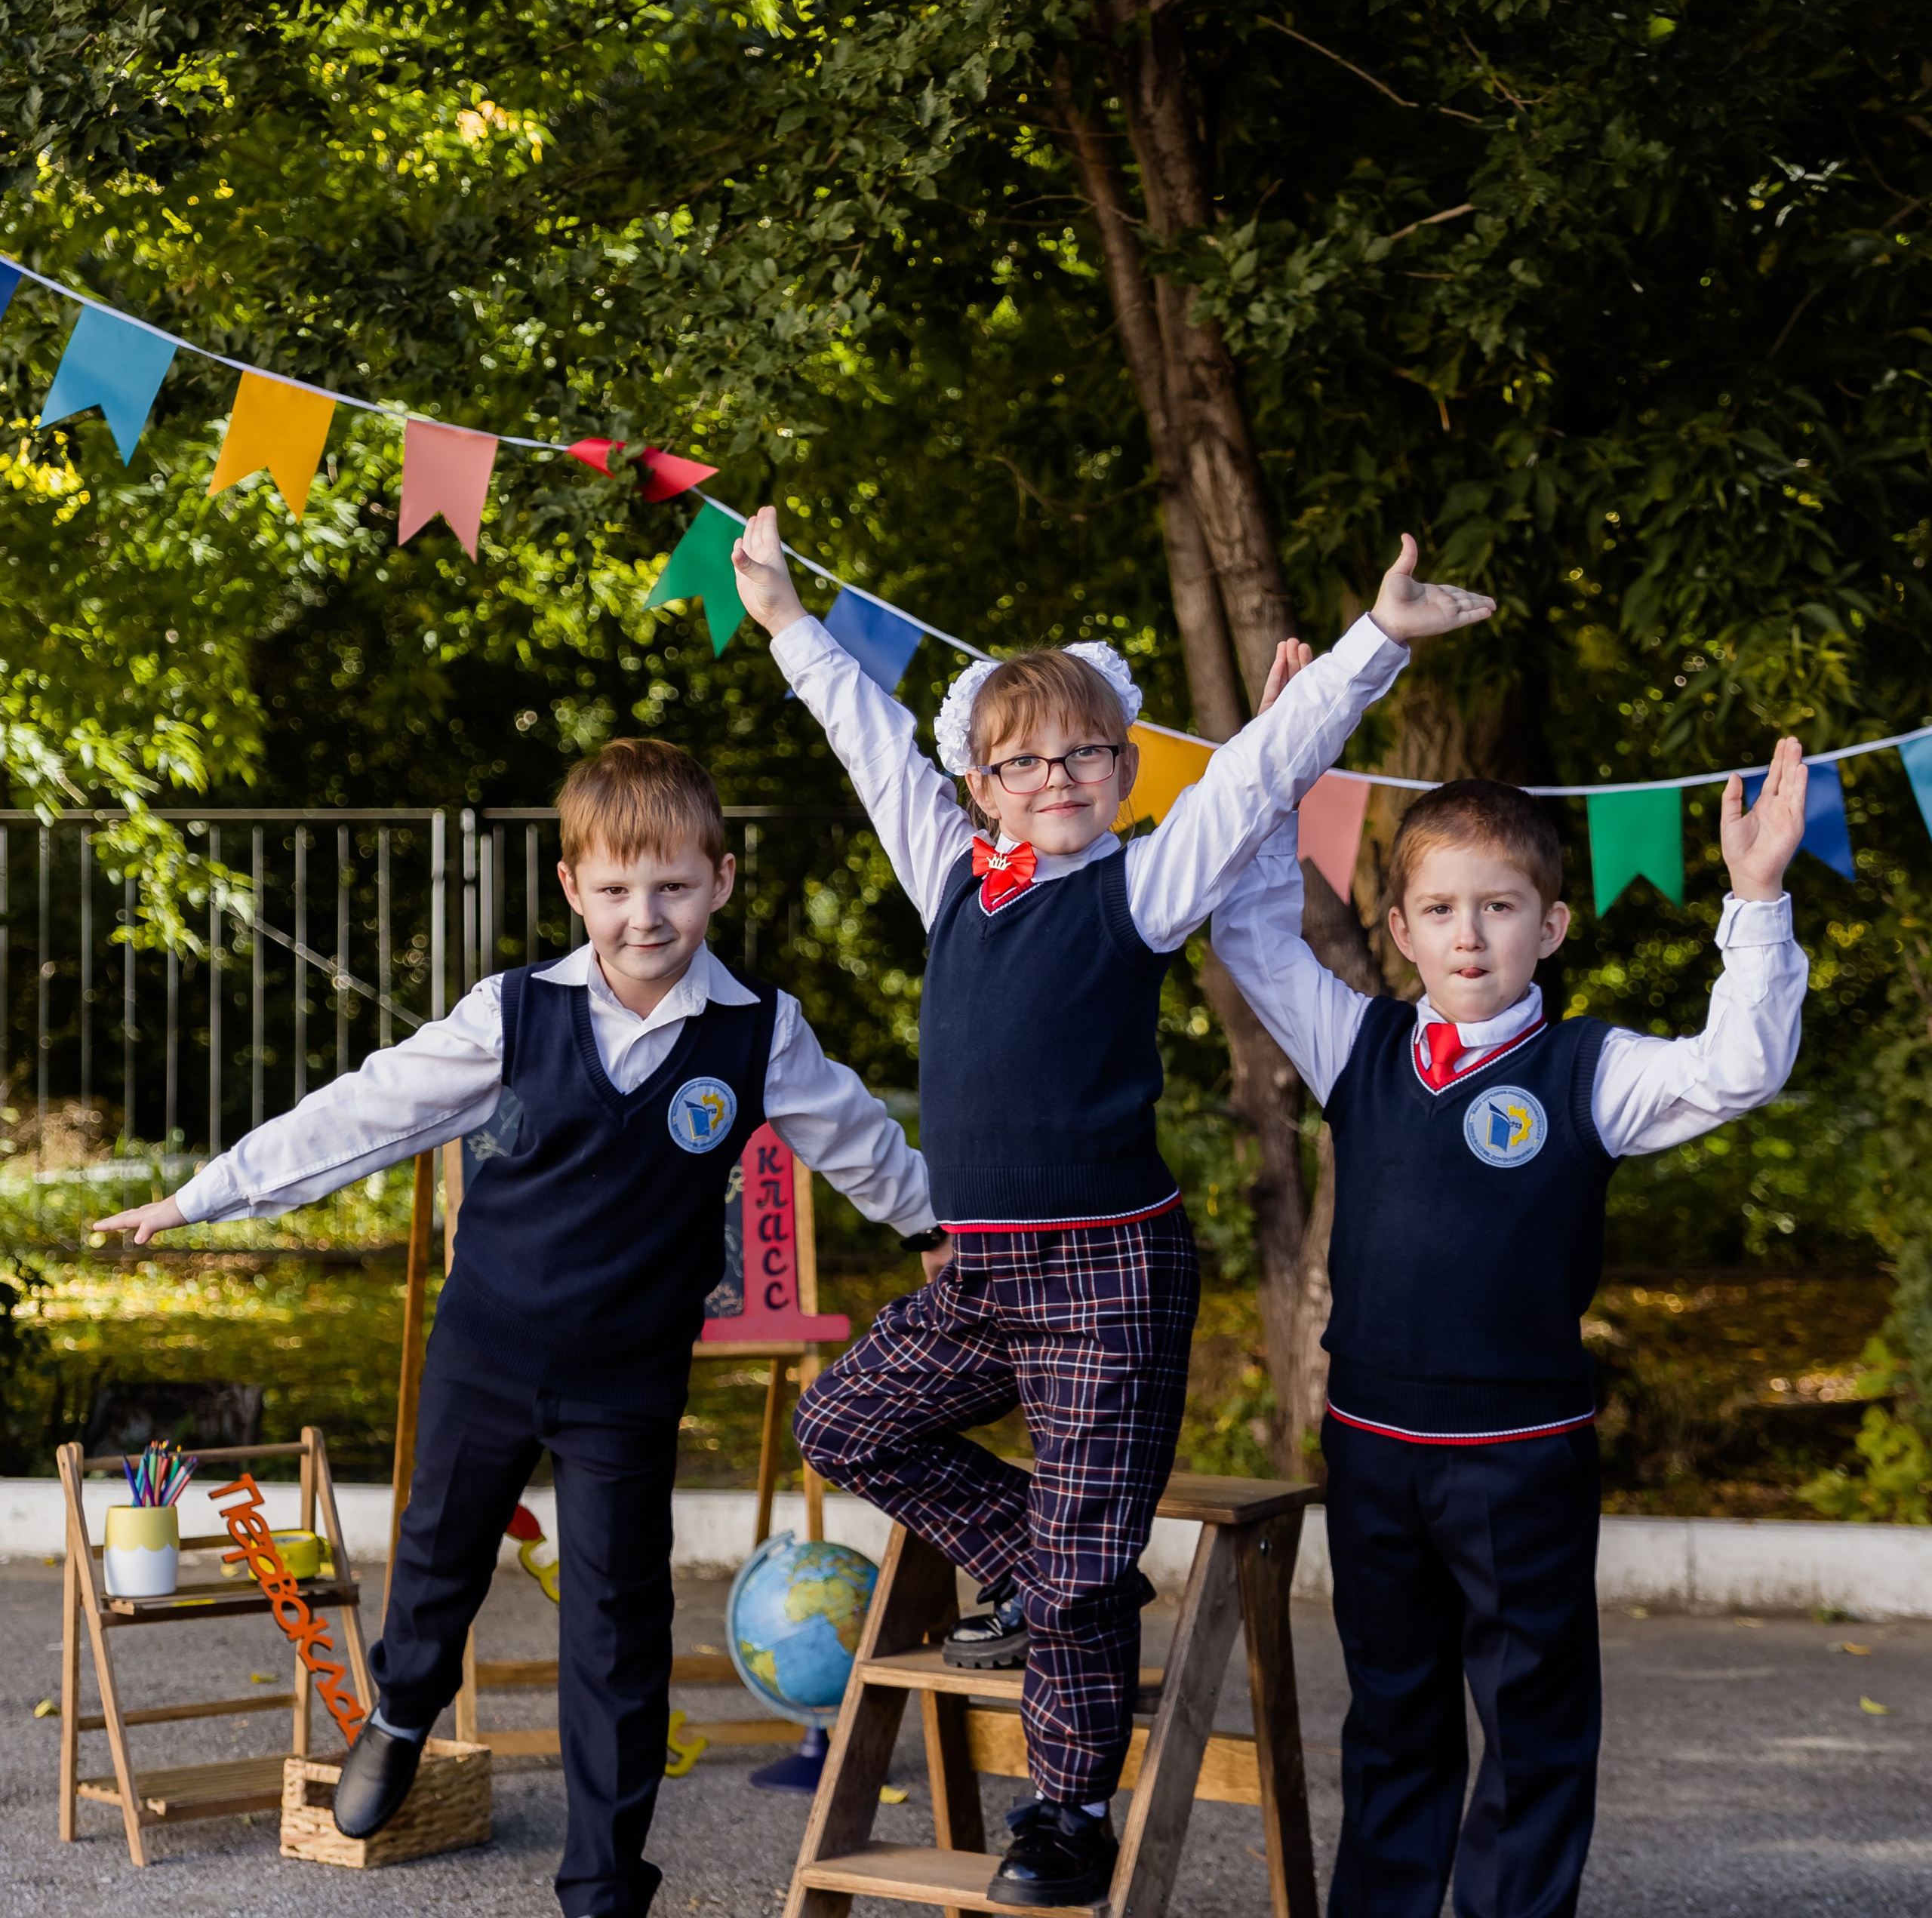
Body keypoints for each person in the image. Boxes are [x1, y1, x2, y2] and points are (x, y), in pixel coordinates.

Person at [729, 506, 1494, 1904]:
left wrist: (1376, 642)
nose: (1057, 775)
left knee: (1078, 1579)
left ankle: (1064, 1813)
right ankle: (1057, 1567)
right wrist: (786, 619)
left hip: (1109, 1281)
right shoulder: (950, 875)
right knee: (845, 1422)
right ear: (980, 784)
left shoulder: (1141, 887)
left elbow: (1262, 776)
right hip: (978, 1277)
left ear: (1125, 765)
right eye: (1022, 761)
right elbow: (863, 738)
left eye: (1085, 752)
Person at [94, 737, 943, 1918]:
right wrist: (202, 1197)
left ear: (722, 881)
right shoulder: (515, 1012)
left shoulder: (759, 1033)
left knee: (615, 1626)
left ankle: (602, 1885)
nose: (644, 917)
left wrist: (944, 1234)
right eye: (615, 890)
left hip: (626, 1384)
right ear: (571, 889)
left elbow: (866, 1148)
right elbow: (364, 1115)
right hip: (488, 1352)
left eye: (673, 888)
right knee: (438, 1563)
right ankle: (398, 1714)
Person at [1211, 730, 1812, 1918]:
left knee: (1532, 1721)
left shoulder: (1591, 1069)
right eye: (1439, 909)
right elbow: (1250, 935)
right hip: (1374, 1449)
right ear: (1401, 930)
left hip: (1522, 1456)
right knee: (1393, 1713)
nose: (1469, 934)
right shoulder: (1358, 1045)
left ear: (1552, 926)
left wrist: (1755, 897)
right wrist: (1281, 768)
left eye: (1499, 906)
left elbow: (1741, 1066)